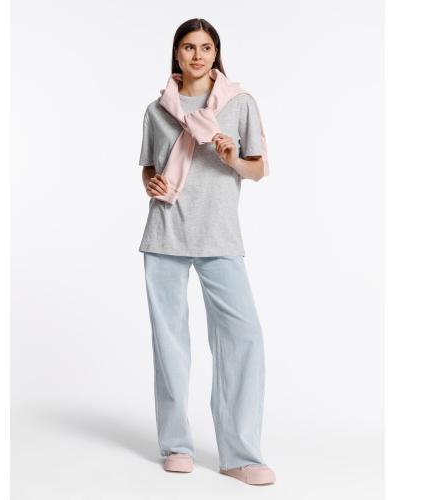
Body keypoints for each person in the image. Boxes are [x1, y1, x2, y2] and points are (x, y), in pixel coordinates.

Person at [137, 18, 276, 486]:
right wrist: (152, 184)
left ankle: (240, 454)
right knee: (170, 343)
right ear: (176, 53)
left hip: (219, 235)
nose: (197, 55)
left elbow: (257, 169)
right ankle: (176, 446)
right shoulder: (157, 110)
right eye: (188, 47)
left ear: (217, 53)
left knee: (243, 337)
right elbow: (149, 167)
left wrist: (231, 157)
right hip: (165, 234)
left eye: (206, 47)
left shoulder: (239, 104)